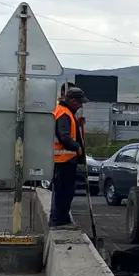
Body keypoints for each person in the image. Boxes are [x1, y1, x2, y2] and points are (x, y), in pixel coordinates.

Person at [49, 87, 88, 227]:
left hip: (65, 161)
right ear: (72, 101)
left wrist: (77, 125)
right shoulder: (63, 113)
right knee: (63, 192)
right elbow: (64, 136)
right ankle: (58, 220)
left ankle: (61, 218)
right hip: (63, 160)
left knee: (66, 191)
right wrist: (76, 146)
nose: (81, 105)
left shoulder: (66, 113)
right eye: (79, 102)